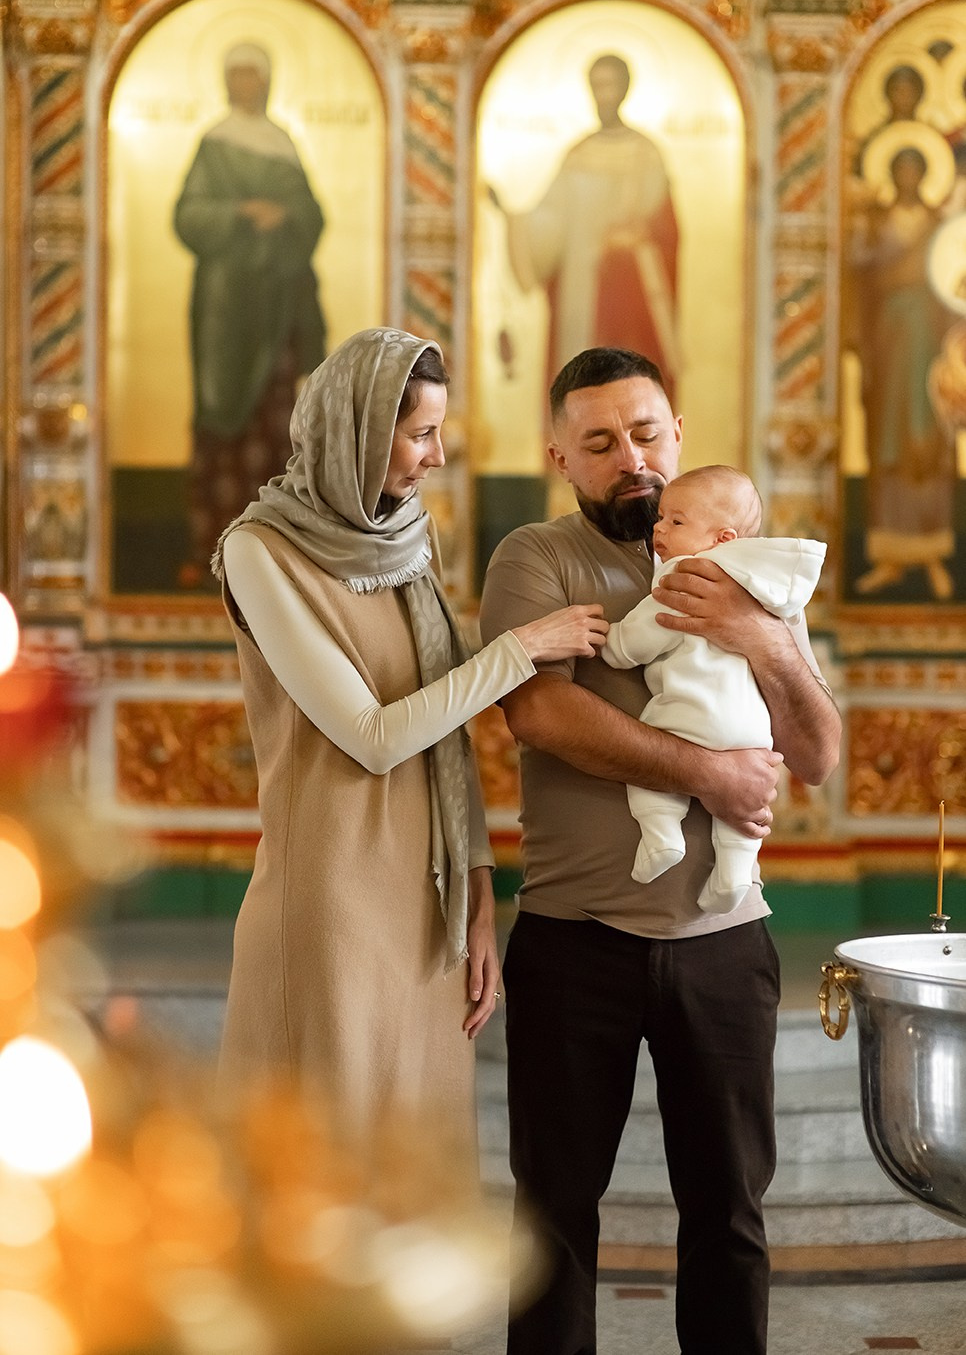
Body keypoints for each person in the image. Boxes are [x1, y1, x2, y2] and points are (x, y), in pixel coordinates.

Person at [479, 346, 841, 1355]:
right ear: (560, 457)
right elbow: (540, 714)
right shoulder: (534, 558)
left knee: (729, 1214)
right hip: (574, 939)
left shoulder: (748, 566)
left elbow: (817, 752)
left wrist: (763, 639)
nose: (631, 458)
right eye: (599, 443)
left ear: (677, 432)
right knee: (551, 1221)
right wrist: (708, 772)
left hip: (725, 944)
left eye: (645, 434)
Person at [212, 327, 608, 1151]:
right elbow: (374, 736)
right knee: (331, 1167)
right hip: (334, 898)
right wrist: (521, 649)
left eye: (439, 432)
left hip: (429, 902)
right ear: (359, 432)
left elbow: (446, 747)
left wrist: (477, 903)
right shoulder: (259, 551)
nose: (437, 456)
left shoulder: (403, 538)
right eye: (421, 434)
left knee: (418, 1169)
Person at [602, 464, 826, 913]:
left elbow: (641, 637)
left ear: (722, 540)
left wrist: (613, 645)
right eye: (661, 518)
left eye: (676, 521)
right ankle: (734, 874)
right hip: (753, 732)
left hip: (692, 714)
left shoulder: (686, 578)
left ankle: (662, 835)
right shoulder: (766, 586)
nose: (659, 528)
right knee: (743, 810)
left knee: (649, 770)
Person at [174, 41, 328, 587]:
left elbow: (313, 217)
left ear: (266, 81)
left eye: (252, 75)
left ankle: (273, 557)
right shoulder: (213, 144)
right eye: (236, 75)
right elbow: (188, 216)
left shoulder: (282, 144)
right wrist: (241, 212)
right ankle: (211, 552)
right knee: (221, 420)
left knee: (277, 424)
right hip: (224, 313)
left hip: (280, 307)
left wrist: (284, 213)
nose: (245, 84)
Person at [492, 54, 680, 398]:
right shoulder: (578, 155)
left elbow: (666, 230)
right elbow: (551, 220)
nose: (603, 95)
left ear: (625, 90)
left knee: (631, 384)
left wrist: (631, 238)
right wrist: (511, 217)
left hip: (630, 291)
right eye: (597, 86)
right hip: (579, 289)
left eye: (610, 86)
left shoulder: (646, 154)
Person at [848, 145, 955, 599]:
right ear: (892, 174)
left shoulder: (940, 224)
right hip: (889, 344)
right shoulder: (876, 222)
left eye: (915, 168)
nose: (908, 176)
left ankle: (933, 554)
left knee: (928, 443)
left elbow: (953, 279)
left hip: (930, 342)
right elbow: (858, 275)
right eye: (901, 168)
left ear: (925, 174)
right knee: (888, 444)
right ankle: (889, 559)